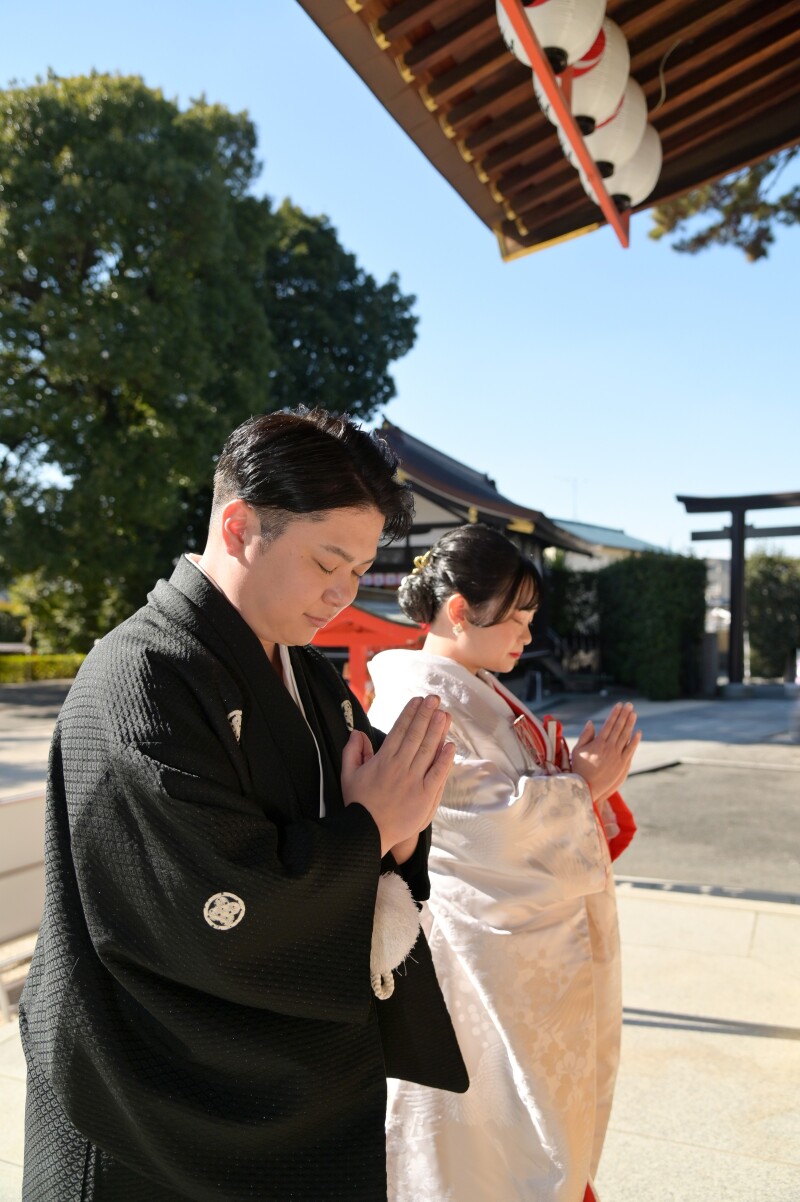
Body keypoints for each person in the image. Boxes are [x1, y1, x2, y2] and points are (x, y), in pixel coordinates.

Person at [20, 409, 467, 1202]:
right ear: (238, 526)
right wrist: (371, 831)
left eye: (360, 570)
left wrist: (396, 828)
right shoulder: (139, 679)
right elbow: (209, 902)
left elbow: (379, 815)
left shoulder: (311, 678)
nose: (342, 592)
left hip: (282, 1086)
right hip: (151, 1104)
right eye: (327, 560)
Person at [368, 524, 641, 1202]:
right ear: (459, 610)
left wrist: (578, 783)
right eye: (516, 616)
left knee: (534, 1119)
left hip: (523, 948)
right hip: (473, 957)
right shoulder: (418, 698)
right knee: (488, 1132)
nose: (526, 632)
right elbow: (485, 830)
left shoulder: (471, 687)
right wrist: (582, 788)